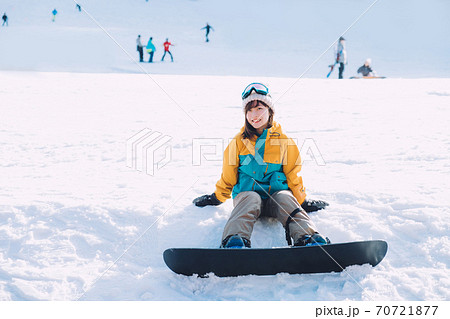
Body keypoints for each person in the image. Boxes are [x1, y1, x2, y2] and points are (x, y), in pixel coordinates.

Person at [193, 83, 329, 248]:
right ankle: (234, 240)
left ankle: (308, 238)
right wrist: (216, 197)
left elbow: (293, 174)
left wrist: (302, 200)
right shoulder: (238, 142)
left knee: (284, 197)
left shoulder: (284, 141)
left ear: (270, 110)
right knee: (252, 198)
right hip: (246, 198)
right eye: (249, 110)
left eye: (259, 109)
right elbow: (228, 176)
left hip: (276, 198)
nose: (254, 115)